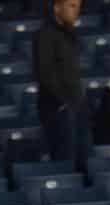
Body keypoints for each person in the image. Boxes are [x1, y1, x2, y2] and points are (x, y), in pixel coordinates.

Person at [35, 0, 90, 170]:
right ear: (57, 7)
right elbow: (44, 72)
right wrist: (64, 102)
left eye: (78, 6)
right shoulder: (45, 34)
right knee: (66, 161)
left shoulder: (70, 33)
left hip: (76, 105)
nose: (77, 10)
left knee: (85, 159)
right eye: (72, 6)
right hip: (59, 108)